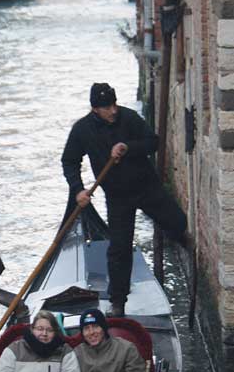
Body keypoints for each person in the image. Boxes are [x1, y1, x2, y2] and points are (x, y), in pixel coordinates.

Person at [61, 82, 188, 316]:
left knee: (177, 222)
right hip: (117, 197)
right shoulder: (82, 130)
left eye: (114, 104)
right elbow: (69, 161)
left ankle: (182, 240)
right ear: (95, 109)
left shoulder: (128, 118)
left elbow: (153, 142)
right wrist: (78, 190)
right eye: (107, 107)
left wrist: (127, 147)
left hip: (146, 187)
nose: (113, 110)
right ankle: (118, 303)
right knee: (119, 249)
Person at [75, 307, 146, 372]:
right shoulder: (77, 353)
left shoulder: (126, 348)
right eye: (86, 328)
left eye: (95, 326)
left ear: (104, 329)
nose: (91, 332)